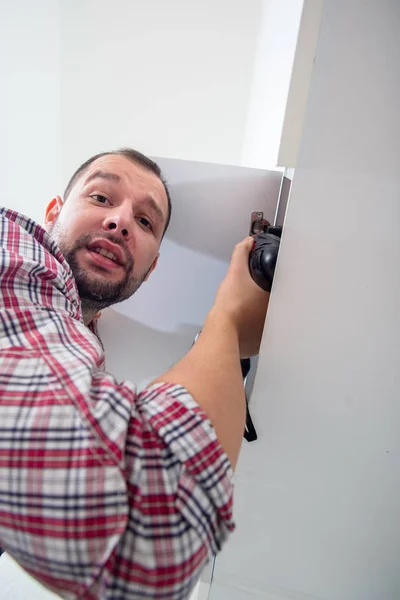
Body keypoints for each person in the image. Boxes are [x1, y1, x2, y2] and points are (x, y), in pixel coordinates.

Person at [0, 147, 269, 599]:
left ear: (151, 269)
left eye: (145, 222)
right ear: (52, 214)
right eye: (102, 198)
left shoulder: (84, 355)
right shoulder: (12, 249)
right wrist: (228, 321)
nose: (120, 221)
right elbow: (142, 545)